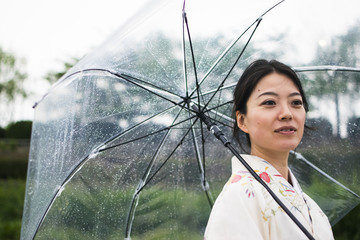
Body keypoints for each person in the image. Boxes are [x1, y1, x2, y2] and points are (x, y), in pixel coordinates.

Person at [204, 59, 334, 240]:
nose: (287, 113)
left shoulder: (312, 208)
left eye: (296, 102)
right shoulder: (238, 198)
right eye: (269, 102)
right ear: (242, 120)